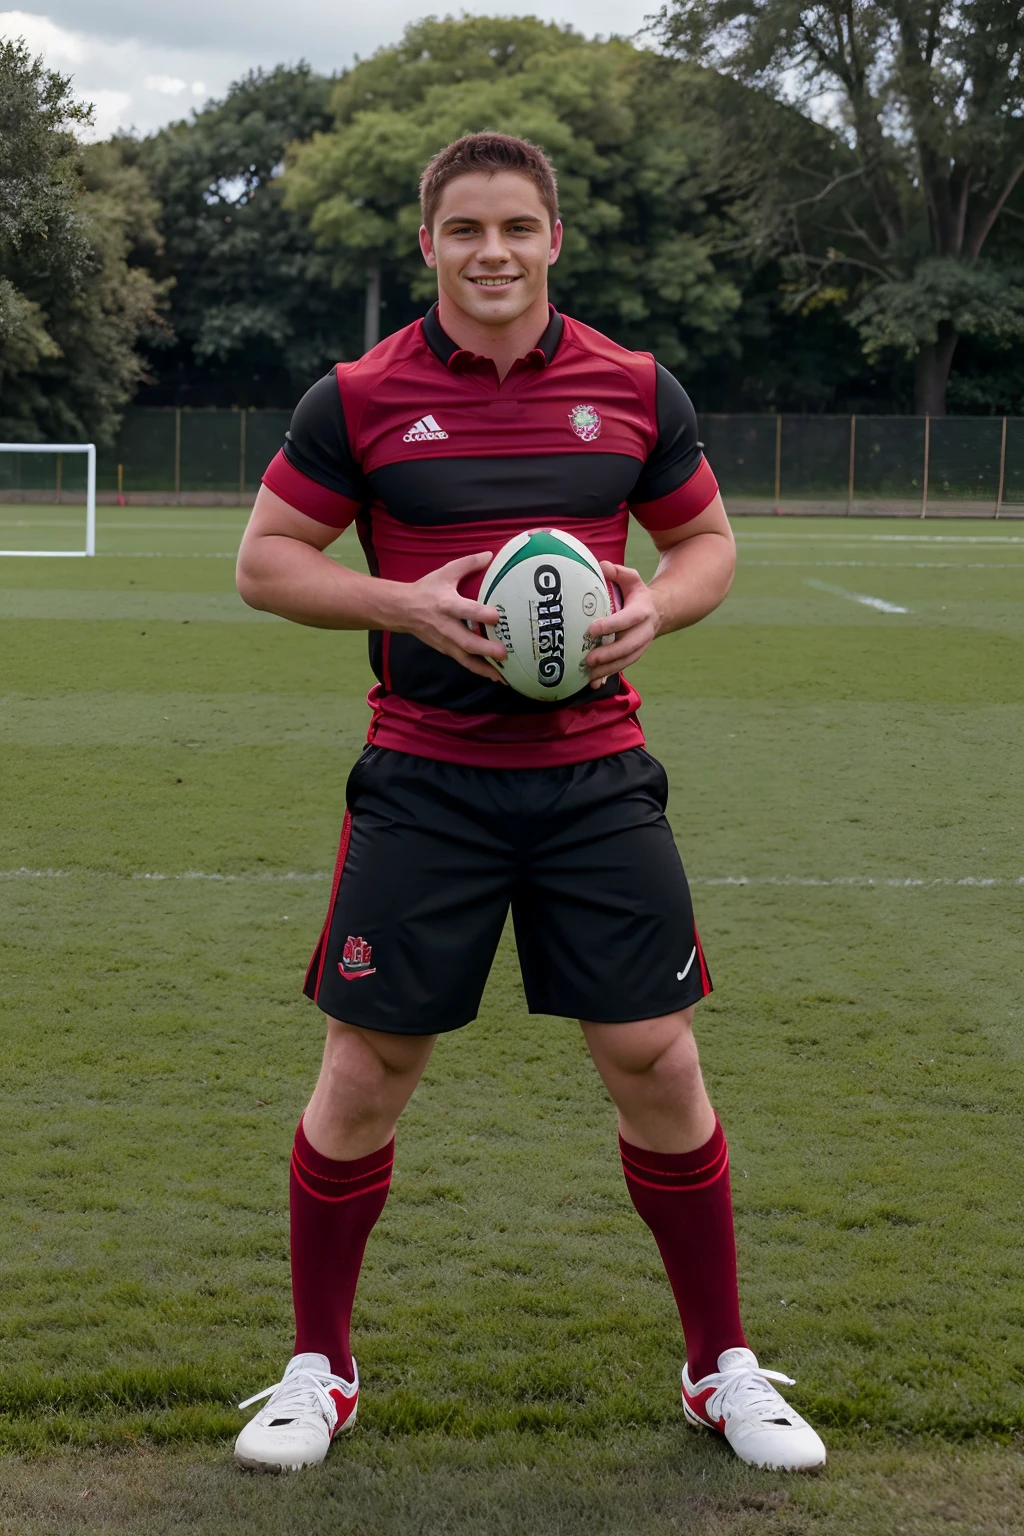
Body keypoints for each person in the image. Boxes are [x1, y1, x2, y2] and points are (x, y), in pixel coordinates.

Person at [232, 132, 826, 1475]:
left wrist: (658, 607)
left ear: (554, 237)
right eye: (464, 231)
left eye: (514, 228)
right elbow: (265, 562)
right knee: (367, 1073)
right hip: (424, 785)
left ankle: (719, 1368)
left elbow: (709, 542)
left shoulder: (629, 388)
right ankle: (318, 1371)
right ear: (427, 243)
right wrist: (399, 602)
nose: (490, 252)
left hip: (595, 785)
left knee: (655, 1060)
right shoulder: (360, 396)